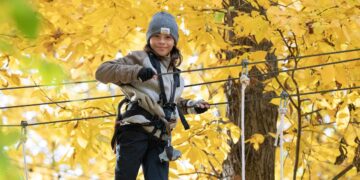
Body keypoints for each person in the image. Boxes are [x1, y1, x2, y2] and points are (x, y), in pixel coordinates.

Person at [95, 11, 210, 180]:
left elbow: (169, 103)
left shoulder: (176, 75)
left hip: (161, 136)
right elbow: (102, 72)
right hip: (135, 130)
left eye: (167, 38)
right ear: (149, 38)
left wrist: (192, 107)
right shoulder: (139, 58)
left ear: (174, 41)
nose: (162, 42)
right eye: (156, 36)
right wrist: (137, 72)